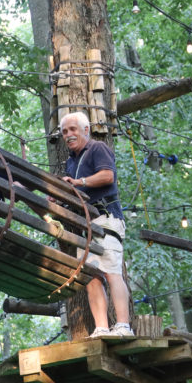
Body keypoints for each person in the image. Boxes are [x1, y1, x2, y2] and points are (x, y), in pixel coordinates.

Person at [59, 112, 133, 338]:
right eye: (64, 132)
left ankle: (123, 326)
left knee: (111, 271)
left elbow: (107, 176)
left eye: (73, 129)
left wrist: (79, 182)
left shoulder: (97, 148)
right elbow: (76, 191)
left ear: (85, 130)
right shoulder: (71, 162)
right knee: (91, 277)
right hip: (89, 224)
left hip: (106, 217)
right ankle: (101, 328)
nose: (69, 135)